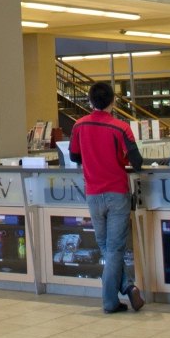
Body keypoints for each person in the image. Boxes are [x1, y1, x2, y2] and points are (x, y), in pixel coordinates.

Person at [69, 82, 145, 314]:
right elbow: (138, 162)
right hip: (117, 193)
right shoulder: (121, 128)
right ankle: (111, 300)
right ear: (113, 101)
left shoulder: (79, 126)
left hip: (93, 193)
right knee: (114, 248)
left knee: (106, 247)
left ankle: (126, 287)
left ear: (90, 102)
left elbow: (74, 156)